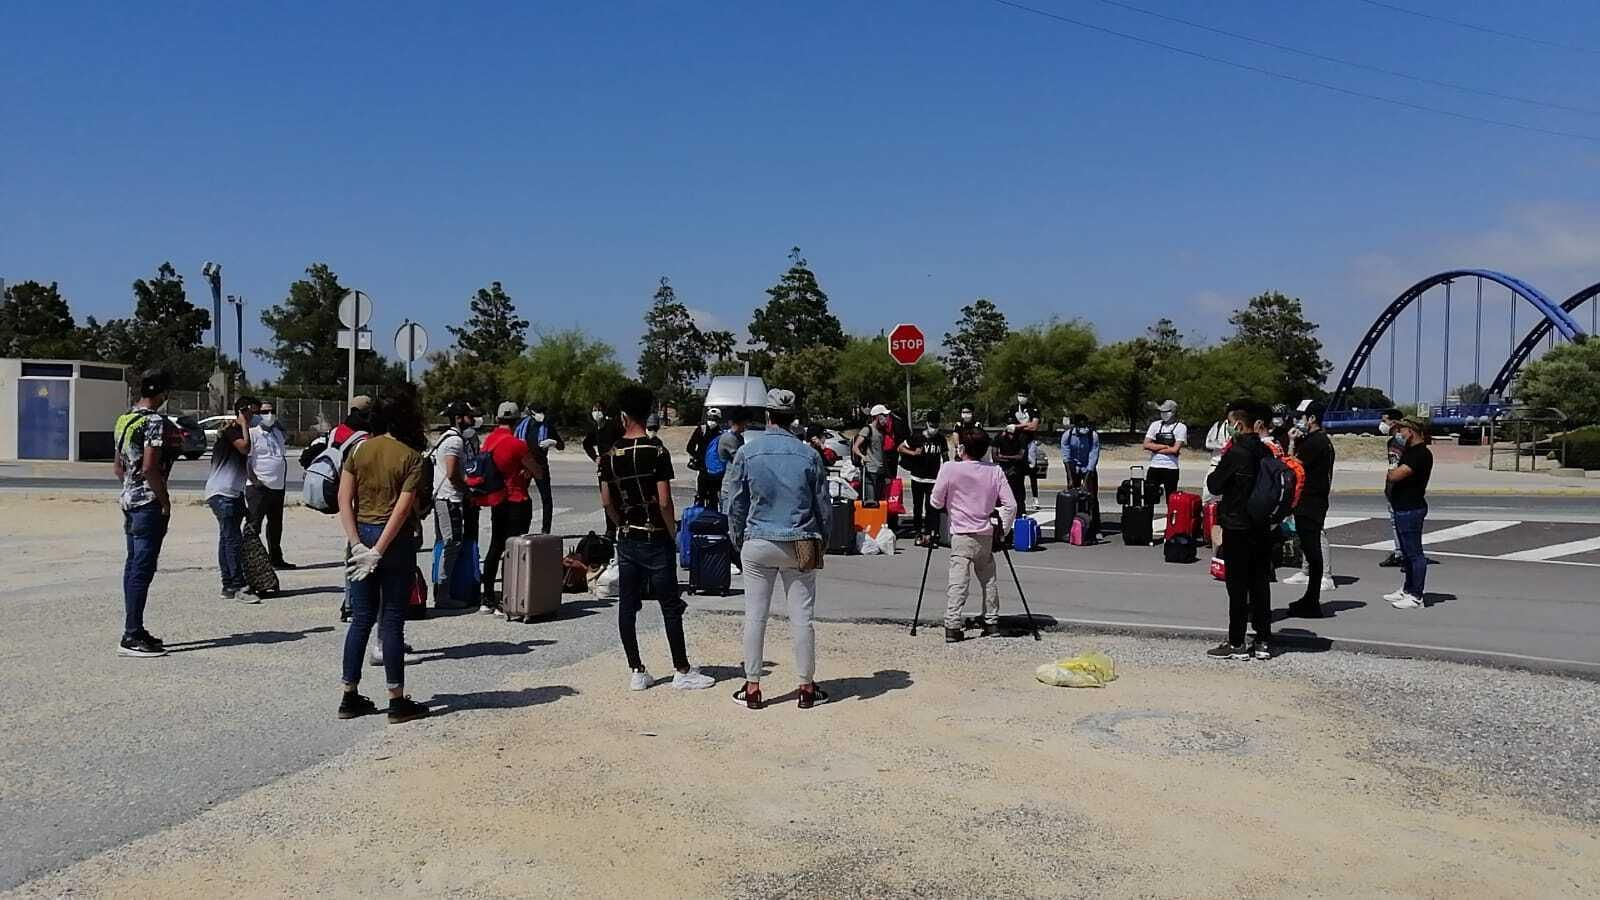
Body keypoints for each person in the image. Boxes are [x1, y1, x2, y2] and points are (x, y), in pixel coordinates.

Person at [598, 384, 716, 693]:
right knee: (669, 603)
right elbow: (664, 500)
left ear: (623, 416)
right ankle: (681, 668)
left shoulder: (609, 456)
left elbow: (607, 501)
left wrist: (620, 523)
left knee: (628, 604)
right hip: (655, 535)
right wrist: (673, 533)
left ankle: (636, 669)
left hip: (626, 536)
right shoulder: (657, 451)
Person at [723, 389, 832, 710]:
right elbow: (823, 506)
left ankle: (753, 686)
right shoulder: (808, 454)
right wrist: (821, 541)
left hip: (758, 539)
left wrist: (739, 538)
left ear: (767, 416)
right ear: (793, 418)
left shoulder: (749, 452)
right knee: (802, 617)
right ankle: (806, 687)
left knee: (755, 616)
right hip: (799, 539)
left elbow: (734, 502)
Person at [337, 385, 431, 724]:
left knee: (360, 618)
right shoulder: (411, 457)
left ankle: (349, 695)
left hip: (360, 534)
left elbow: (343, 500)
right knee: (391, 620)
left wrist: (357, 543)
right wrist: (379, 550)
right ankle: (396, 699)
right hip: (394, 543)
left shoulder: (359, 450)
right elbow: (403, 510)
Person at [114, 368, 179, 658]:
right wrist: (163, 500)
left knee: (132, 567)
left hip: (129, 500)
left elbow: (119, 467)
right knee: (142, 568)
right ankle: (131, 634)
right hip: (147, 503)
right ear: (162, 393)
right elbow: (151, 467)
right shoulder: (154, 422)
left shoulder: (125, 419)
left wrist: (132, 486)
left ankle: (135, 628)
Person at [930, 428, 1018, 643]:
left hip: (961, 533)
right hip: (985, 533)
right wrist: (1002, 531)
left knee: (958, 580)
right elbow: (1011, 505)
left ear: (962, 448)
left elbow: (936, 502)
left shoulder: (950, 469)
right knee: (988, 579)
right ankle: (991, 621)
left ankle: (952, 624)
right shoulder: (995, 471)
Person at [1205, 400, 1275, 661]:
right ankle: (1263, 641)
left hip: (1237, 524)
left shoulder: (1235, 453)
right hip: (1262, 525)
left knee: (1237, 585)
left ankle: (1236, 642)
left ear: (1237, 423)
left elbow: (1214, 484)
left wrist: (1222, 460)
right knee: (1260, 584)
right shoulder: (1265, 451)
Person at [479, 401, 545, 613]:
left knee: (495, 546)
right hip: (517, 500)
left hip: (497, 500)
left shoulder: (488, 441)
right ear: (517, 421)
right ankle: (509, 597)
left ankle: (487, 597)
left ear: (498, 419)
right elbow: (538, 471)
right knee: (513, 550)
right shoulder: (517, 444)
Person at [1284, 400, 1336, 616]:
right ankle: (1310, 597)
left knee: (1312, 547)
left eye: (1302, 417)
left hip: (1310, 501)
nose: (1299, 421)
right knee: (1309, 546)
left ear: (1312, 418)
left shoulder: (1315, 442)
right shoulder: (1318, 440)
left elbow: (1292, 465)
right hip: (1314, 500)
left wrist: (1291, 443)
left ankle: (1312, 600)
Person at [205, 396, 258, 604]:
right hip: (222, 493)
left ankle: (228, 583)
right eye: (251, 413)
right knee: (232, 540)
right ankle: (237, 585)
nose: (253, 417)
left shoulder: (234, 430)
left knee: (227, 538)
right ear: (242, 411)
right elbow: (245, 447)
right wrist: (244, 425)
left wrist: (253, 481)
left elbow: (243, 462)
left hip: (233, 493)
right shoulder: (231, 430)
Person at [430, 401, 481, 605]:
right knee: (452, 543)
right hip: (449, 498)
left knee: (446, 542)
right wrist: (466, 491)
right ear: (459, 418)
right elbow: (452, 473)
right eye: (469, 416)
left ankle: (442, 589)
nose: (472, 420)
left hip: (443, 497)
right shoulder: (455, 442)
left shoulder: (447, 437)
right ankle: (443, 594)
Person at [1386, 416, 1434, 610]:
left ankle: (1416, 595)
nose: (1399, 434)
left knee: (1414, 553)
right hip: (1402, 506)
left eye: (1402, 430)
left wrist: (1392, 462)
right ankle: (1407, 589)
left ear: (1411, 431)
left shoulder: (1420, 454)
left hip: (1411, 508)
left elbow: (1395, 475)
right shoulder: (1410, 451)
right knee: (1405, 553)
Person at [245, 399, 292, 568]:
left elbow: (285, 441)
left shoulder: (277, 433)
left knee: (275, 526)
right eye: (264, 412)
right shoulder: (252, 433)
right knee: (254, 525)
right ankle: (252, 560)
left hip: (277, 487)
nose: (269, 415)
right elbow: (248, 460)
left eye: (271, 411)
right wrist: (256, 481)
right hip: (259, 488)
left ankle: (276, 558)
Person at [515, 403, 563, 535]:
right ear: (531, 412)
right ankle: (520, 527)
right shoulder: (522, 425)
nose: (541, 414)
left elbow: (561, 446)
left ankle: (546, 529)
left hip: (540, 464)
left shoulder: (547, 426)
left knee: (546, 498)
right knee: (521, 496)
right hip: (524, 464)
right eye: (538, 411)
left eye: (543, 411)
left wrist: (553, 442)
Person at [902, 414, 949, 536]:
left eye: (936, 425)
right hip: (917, 477)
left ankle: (930, 532)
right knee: (917, 506)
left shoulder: (940, 439)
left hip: (933, 478)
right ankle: (918, 531)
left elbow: (945, 457)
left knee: (931, 507)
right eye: (932, 425)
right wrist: (913, 453)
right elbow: (900, 448)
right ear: (927, 424)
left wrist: (947, 472)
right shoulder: (917, 437)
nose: (934, 428)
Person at [1378, 408, 1408, 568]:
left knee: (1400, 521)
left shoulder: (1400, 441)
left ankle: (1403, 553)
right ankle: (1400, 552)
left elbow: (1397, 466)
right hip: (1394, 486)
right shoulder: (1394, 441)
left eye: (1385, 420)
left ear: (1394, 422)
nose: (1382, 424)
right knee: (1396, 521)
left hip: (1399, 487)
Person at [1143, 399, 1187, 505]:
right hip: (1155, 465)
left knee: (1171, 498)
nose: (1163, 414)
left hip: (1171, 467)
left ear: (1173, 412)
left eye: (1166, 411)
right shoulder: (1155, 425)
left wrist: (1155, 448)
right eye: (1162, 412)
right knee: (1149, 497)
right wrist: (1164, 446)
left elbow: (1175, 449)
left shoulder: (1181, 427)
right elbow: (1146, 444)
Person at [852, 404, 898, 504]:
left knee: (879, 500)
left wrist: (887, 472)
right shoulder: (867, 429)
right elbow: (855, 448)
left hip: (881, 470)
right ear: (878, 416)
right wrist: (863, 457)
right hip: (870, 470)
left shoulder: (882, 431)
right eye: (884, 416)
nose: (886, 419)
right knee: (871, 501)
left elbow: (882, 452)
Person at [990, 420, 1029, 511]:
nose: (1011, 437)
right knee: (1001, 490)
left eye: (1013, 435)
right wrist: (1007, 459)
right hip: (1003, 466)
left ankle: (1020, 510)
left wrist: (1004, 456)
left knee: (1018, 491)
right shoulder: (999, 437)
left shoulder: (1021, 438)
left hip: (1017, 466)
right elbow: (995, 456)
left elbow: (1021, 456)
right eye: (1010, 434)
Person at [686, 407, 722, 504]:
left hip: (715, 470)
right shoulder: (701, 430)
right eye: (710, 418)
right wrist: (699, 457)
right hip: (703, 469)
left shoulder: (721, 433)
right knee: (701, 496)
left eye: (714, 419)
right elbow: (690, 447)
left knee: (714, 497)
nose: (712, 421)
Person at [1061, 414, 1100, 495]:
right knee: (1073, 495)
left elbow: (1093, 458)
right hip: (1074, 468)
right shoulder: (1067, 436)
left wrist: (1085, 482)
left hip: (1088, 468)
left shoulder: (1093, 436)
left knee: (1091, 496)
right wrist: (1070, 479)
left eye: (1085, 425)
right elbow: (1066, 458)